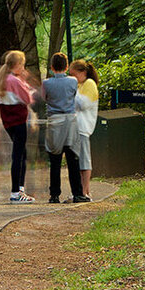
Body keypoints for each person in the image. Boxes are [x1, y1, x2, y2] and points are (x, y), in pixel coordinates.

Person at [41, 52, 87, 203]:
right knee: (73, 158)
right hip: (70, 122)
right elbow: (75, 96)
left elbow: (44, 98)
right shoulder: (73, 81)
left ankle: (54, 195)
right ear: (67, 66)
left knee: (55, 160)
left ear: (52, 67)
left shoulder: (46, 83)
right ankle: (78, 193)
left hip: (54, 121)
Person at [0, 50, 36, 203]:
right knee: (19, 156)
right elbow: (28, 98)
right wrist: (25, 82)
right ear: (17, 64)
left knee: (21, 154)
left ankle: (20, 190)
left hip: (8, 121)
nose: (23, 68)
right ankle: (16, 192)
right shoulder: (14, 80)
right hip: (18, 120)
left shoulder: (3, 79)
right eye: (22, 65)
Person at [69, 59, 99, 198]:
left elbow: (83, 104)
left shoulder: (89, 84)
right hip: (75, 127)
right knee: (78, 160)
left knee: (84, 160)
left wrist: (71, 92)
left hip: (83, 127)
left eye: (74, 75)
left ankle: (85, 191)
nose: (72, 78)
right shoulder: (80, 85)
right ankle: (81, 190)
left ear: (83, 72)